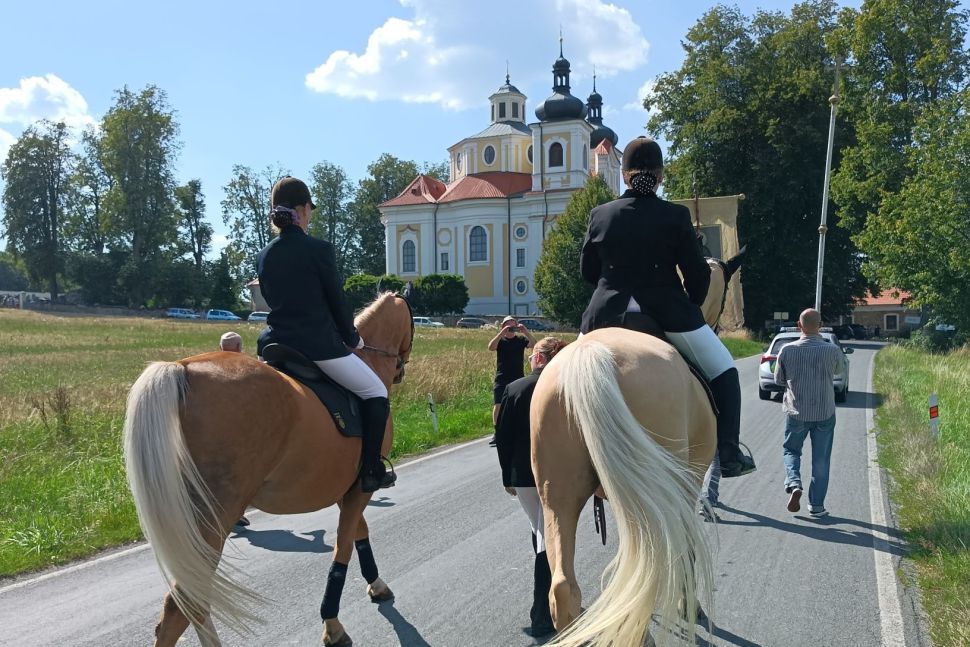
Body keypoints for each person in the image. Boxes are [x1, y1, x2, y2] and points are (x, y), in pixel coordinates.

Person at [578, 136, 755, 478]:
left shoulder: (600, 214)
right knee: (724, 371)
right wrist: (687, 305)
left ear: (625, 176)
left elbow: (587, 273)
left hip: (604, 315)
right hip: (665, 311)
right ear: (660, 177)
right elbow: (697, 275)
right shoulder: (675, 215)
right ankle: (729, 453)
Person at [256, 176, 395, 493]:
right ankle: (371, 469)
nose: (310, 216)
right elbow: (336, 302)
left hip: (274, 345)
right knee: (376, 392)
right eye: (310, 211)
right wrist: (352, 337)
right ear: (303, 210)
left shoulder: (263, 255)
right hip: (316, 346)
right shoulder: (318, 250)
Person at [494, 336, 568, 638]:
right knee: (546, 536)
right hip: (558, 473)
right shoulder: (566, 388)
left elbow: (503, 438)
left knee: (540, 530)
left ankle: (547, 602)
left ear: (539, 358)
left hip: (522, 475)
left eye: (533, 354)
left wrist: (506, 476)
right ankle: (541, 612)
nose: (529, 359)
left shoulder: (515, 388)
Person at [773, 308, 842, 517]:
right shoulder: (832, 350)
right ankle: (817, 506)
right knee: (821, 460)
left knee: (791, 451)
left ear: (798, 325)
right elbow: (838, 371)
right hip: (825, 412)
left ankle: (794, 483)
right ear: (820, 325)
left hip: (797, 411)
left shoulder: (787, 350)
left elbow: (778, 380)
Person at [218, 331, 251, 527]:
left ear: (219, 347)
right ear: (239, 348)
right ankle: (234, 512)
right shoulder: (245, 369)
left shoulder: (211, 367)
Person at [487, 316, 536, 446]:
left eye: (513, 325)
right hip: (502, 377)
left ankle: (519, 432)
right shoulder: (501, 341)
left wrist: (525, 331)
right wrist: (501, 334)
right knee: (498, 405)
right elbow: (491, 347)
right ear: (503, 326)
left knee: (519, 405)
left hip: (517, 378)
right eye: (508, 325)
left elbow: (534, 345)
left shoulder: (520, 340)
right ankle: (497, 433)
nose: (510, 327)